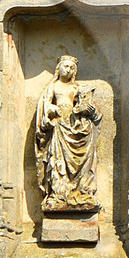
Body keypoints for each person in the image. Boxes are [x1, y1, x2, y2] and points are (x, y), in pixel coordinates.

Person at [33, 54, 101, 213]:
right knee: (58, 163)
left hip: (76, 128)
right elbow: (44, 107)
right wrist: (51, 110)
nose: (68, 70)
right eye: (66, 66)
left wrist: (89, 111)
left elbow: (92, 110)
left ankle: (81, 189)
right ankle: (59, 194)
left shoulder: (77, 88)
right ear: (59, 68)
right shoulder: (52, 86)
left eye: (72, 67)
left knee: (83, 158)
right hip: (59, 128)